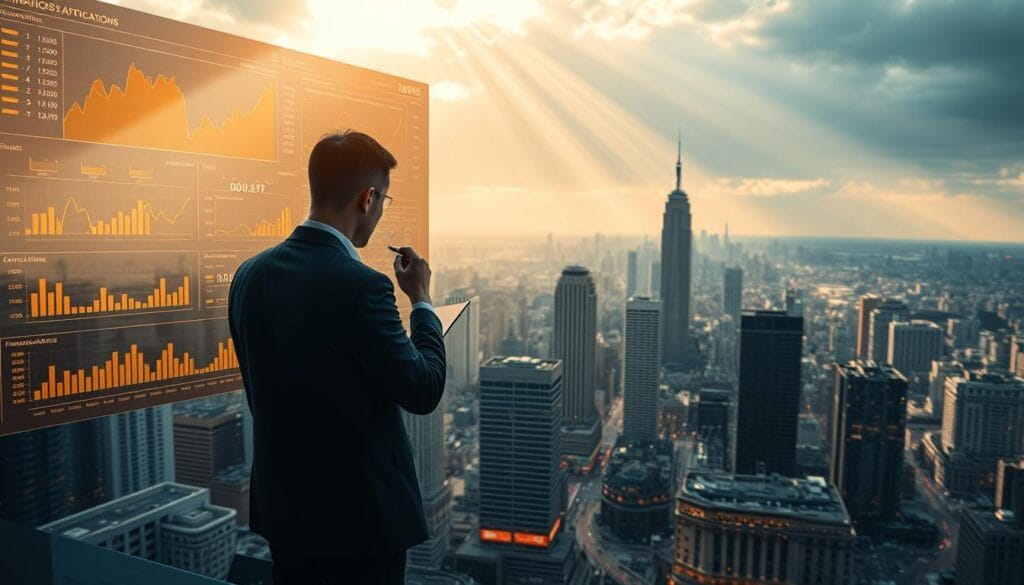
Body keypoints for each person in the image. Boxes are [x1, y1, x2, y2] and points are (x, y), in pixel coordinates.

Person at [227, 131, 446, 584]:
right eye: (384, 199)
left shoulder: (248, 276)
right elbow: (423, 388)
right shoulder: (361, 285)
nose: (381, 210)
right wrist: (422, 300)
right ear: (368, 198)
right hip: (359, 531)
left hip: (286, 519)